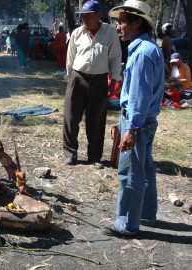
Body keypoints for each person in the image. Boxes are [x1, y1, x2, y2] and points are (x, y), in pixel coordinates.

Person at [102, 0, 165, 237]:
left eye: (121, 22)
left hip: (138, 121)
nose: (118, 27)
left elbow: (139, 94)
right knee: (145, 167)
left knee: (130, 172)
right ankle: (146, 213)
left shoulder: (142, 53)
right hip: (146, 120)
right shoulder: (147, 48)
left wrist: (132, 127)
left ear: (137, 22)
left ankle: (127, 223)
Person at [62, 0, 122, 169]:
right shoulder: (77, 33)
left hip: (100, 80)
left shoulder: (110, 33)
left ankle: (94, 156)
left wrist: (114, 82)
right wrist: (69, 78)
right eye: (83, 16)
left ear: (98, 15)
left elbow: (116, 58)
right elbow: (70, 57)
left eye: (89, 16)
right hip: (78, 77)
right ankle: (70, 153)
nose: (85, 20)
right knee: (71, 118)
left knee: (96, 119)